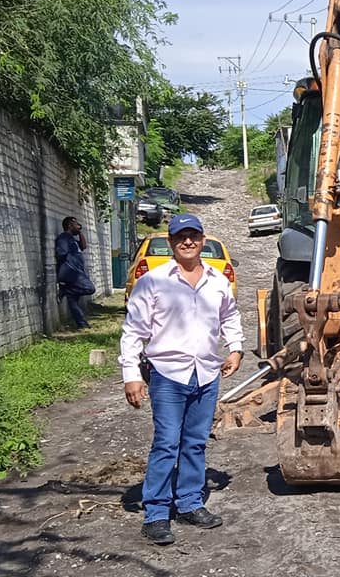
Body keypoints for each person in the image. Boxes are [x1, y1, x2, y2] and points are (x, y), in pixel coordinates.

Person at [119, 213, 243, 545]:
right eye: (180, 237)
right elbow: (133, 332)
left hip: (206, 373)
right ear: (171, 242)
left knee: (196, 443)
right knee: (166, 443)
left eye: (193, 236)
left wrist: (236, 349)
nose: (187, 242)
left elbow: (230, 315)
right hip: (168, 376)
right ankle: (156, 514)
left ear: (202, 240)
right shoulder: (153, 281)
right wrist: (131, 375)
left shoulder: (217, 280)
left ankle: (189, 502)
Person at [55, 216, 95, 329]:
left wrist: (79, 232)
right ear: (69, 225)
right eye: (76, 224)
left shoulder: (72, 239)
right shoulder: (64, 238)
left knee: (72, 301)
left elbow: (83, 246)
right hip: (71, 273)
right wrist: (70, 263)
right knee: (90, 288)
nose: (78, 226)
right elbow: (61, 253)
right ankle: (66, 290)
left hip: (77, 272)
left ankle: (81, 324)